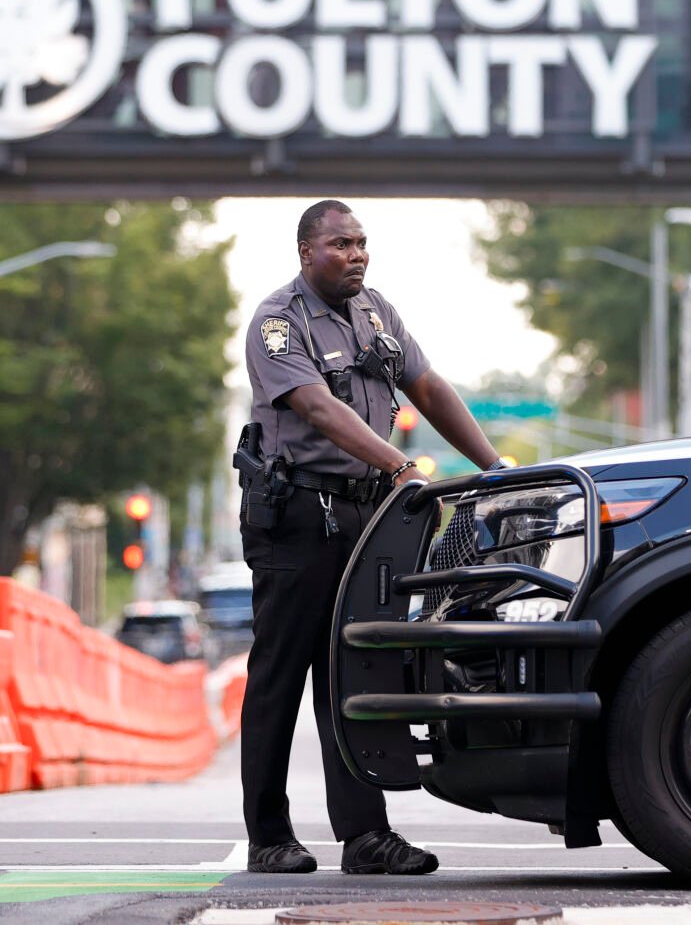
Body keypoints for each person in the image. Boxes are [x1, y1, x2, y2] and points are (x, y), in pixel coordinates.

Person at [238, 199, 506, 877]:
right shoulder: (278, 322)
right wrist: (398, 464)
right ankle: (269, 835)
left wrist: (495, 466)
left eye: (361, 242)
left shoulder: (376, 311)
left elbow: (427, 386)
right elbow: (316, 408)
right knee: (280, 675)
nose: (355, 254)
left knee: (356, 671)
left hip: (363, 515)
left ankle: (365, 836)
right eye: (339, 244)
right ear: (306, 252)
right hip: (296, 515)